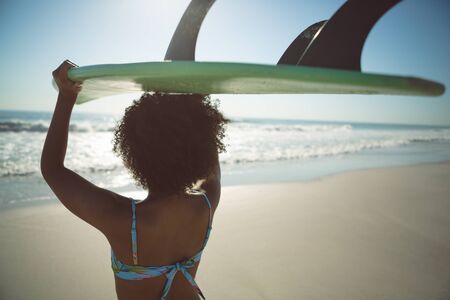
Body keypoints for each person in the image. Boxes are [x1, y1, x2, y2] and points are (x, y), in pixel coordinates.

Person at [41, 60, 228, 300]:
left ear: (134, 154)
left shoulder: (121, 218)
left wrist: (66, 97)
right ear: (200, 151)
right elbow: (212, 164)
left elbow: (53, 169)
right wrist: (196, 110)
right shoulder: (207, 203)